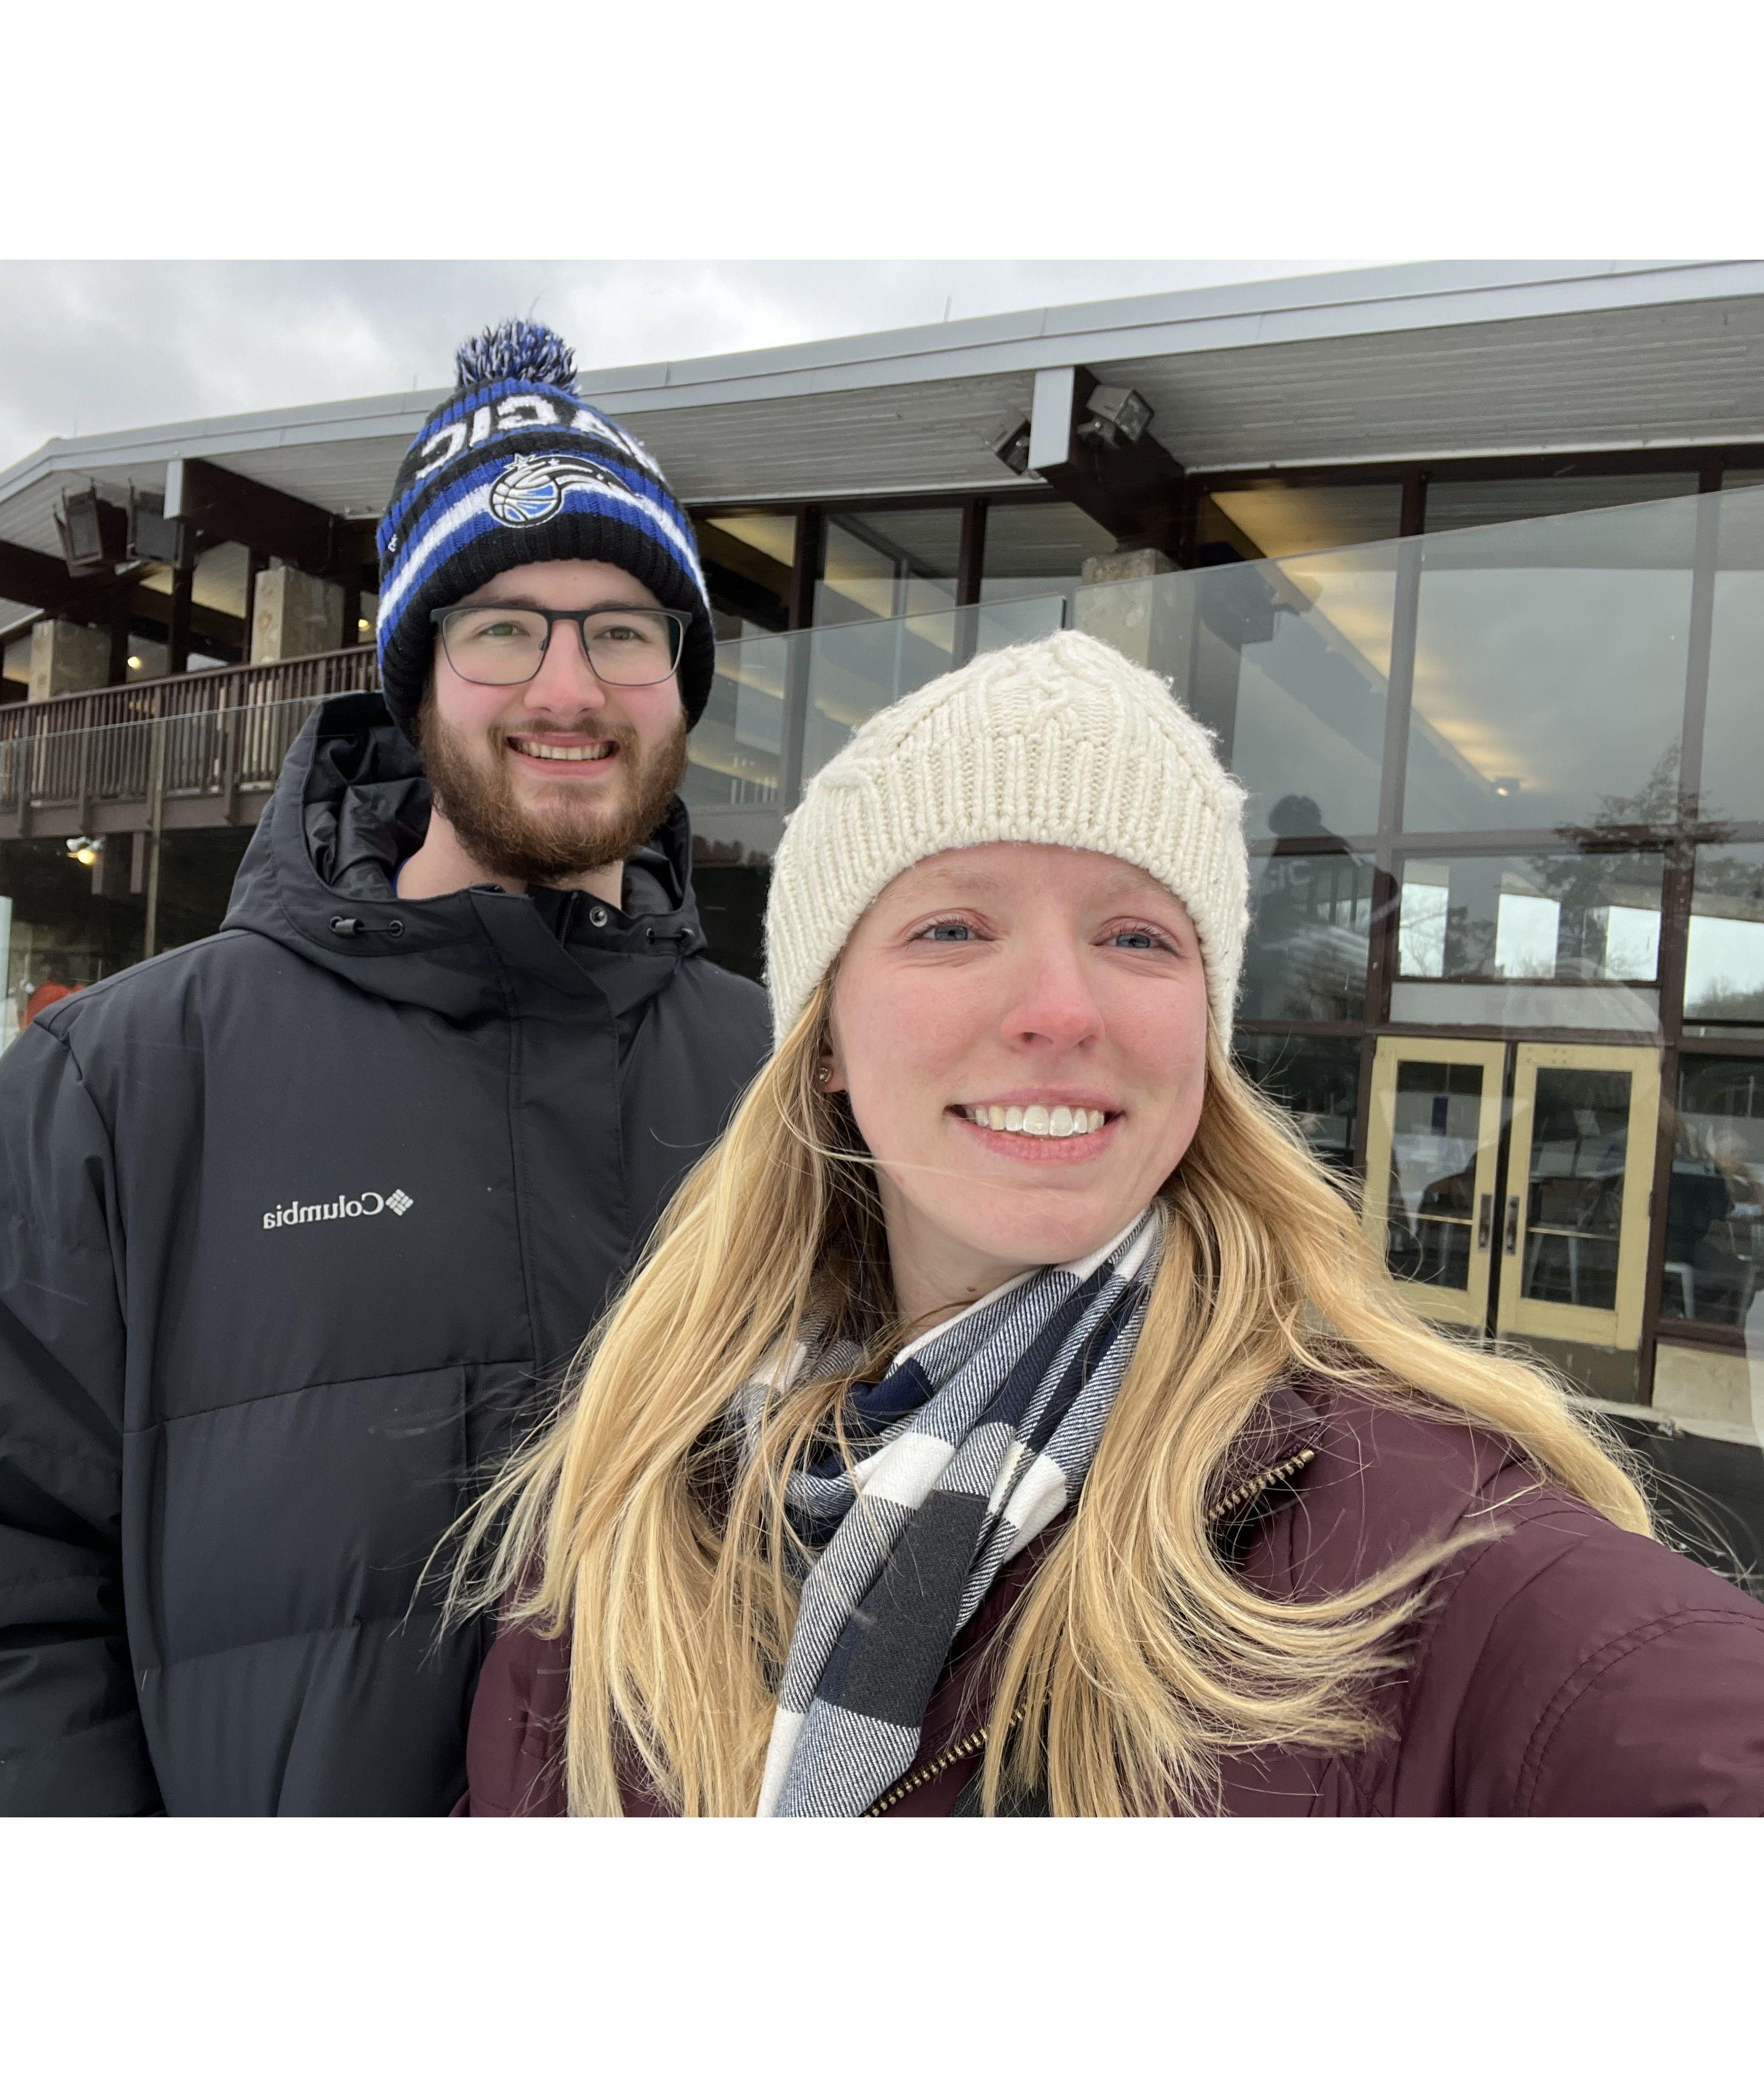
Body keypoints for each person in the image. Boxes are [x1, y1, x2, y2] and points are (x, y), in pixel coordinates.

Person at [458, 628, 1764, 1817]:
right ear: (828, 1039)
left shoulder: (1424, 1542)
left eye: (1138, 938)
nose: (1062, 1010)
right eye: (956, 925)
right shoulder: (640, 1506)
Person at [0, 320, 770, 1814]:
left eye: (627, 630)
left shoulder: (788, 1074)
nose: (570, 687)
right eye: (505, 628)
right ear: (414, 675)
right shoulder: (123, 1081)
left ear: (682, 679)